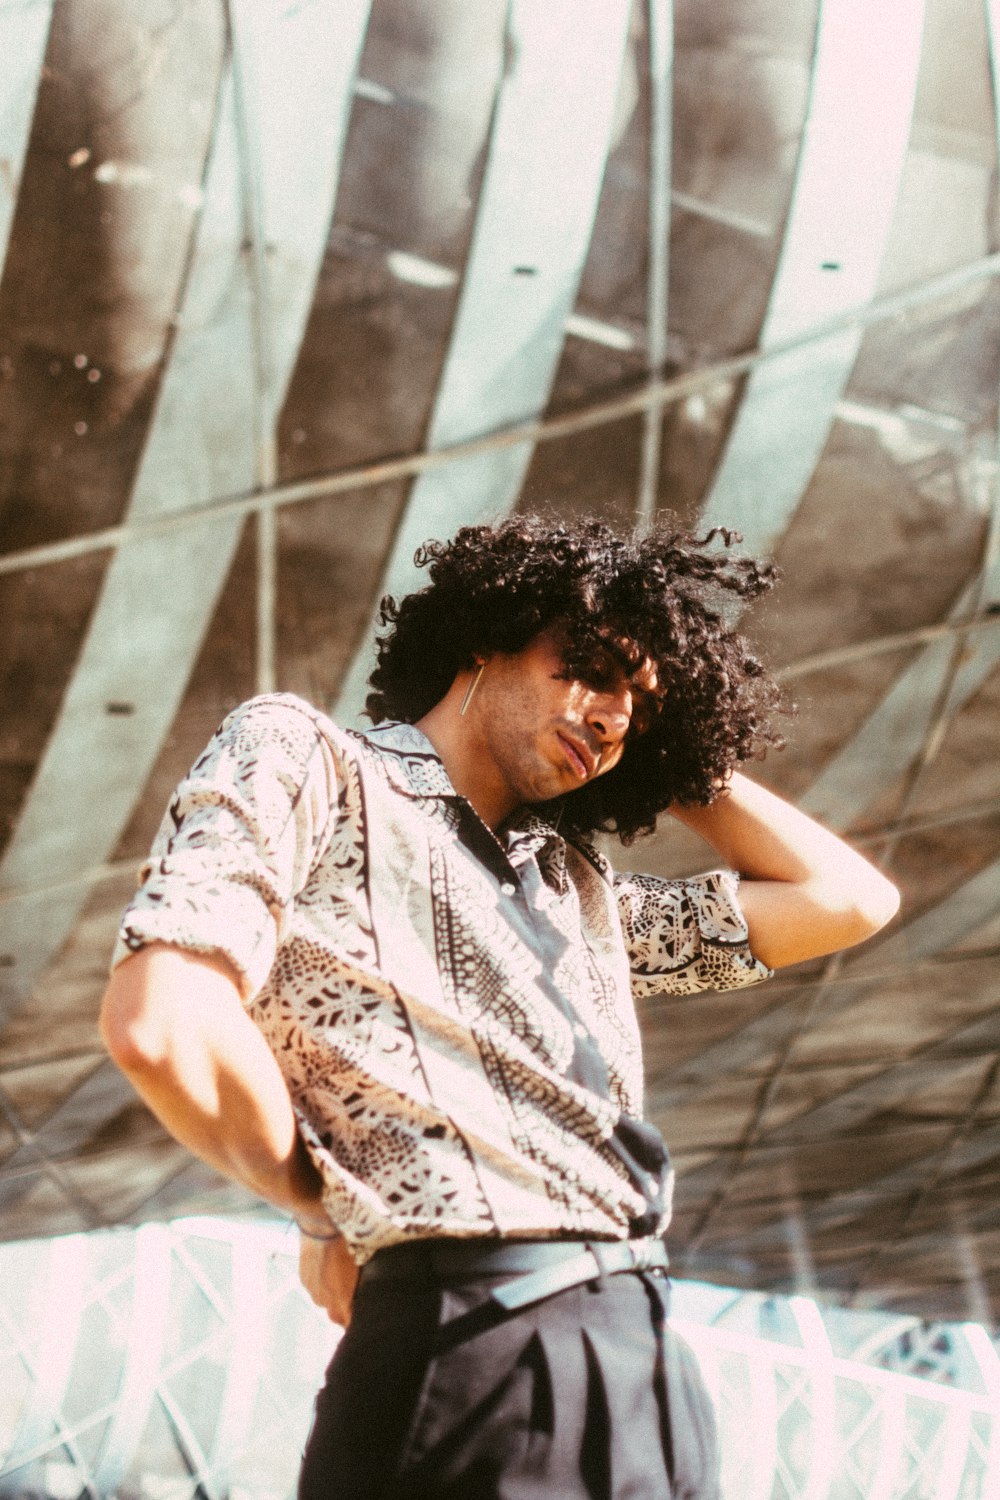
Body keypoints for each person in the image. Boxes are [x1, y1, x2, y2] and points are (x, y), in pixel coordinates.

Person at [100, 516, 899, 1500]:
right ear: (490, 631)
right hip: (475, 1342)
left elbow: (850, 900)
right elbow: (162, 1022)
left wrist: (672, 753)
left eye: (637, 710)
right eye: (591, 668)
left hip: (646, 1363)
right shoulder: (314, 764)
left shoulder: (579, 889)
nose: (610, 716)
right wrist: (321, 1211)